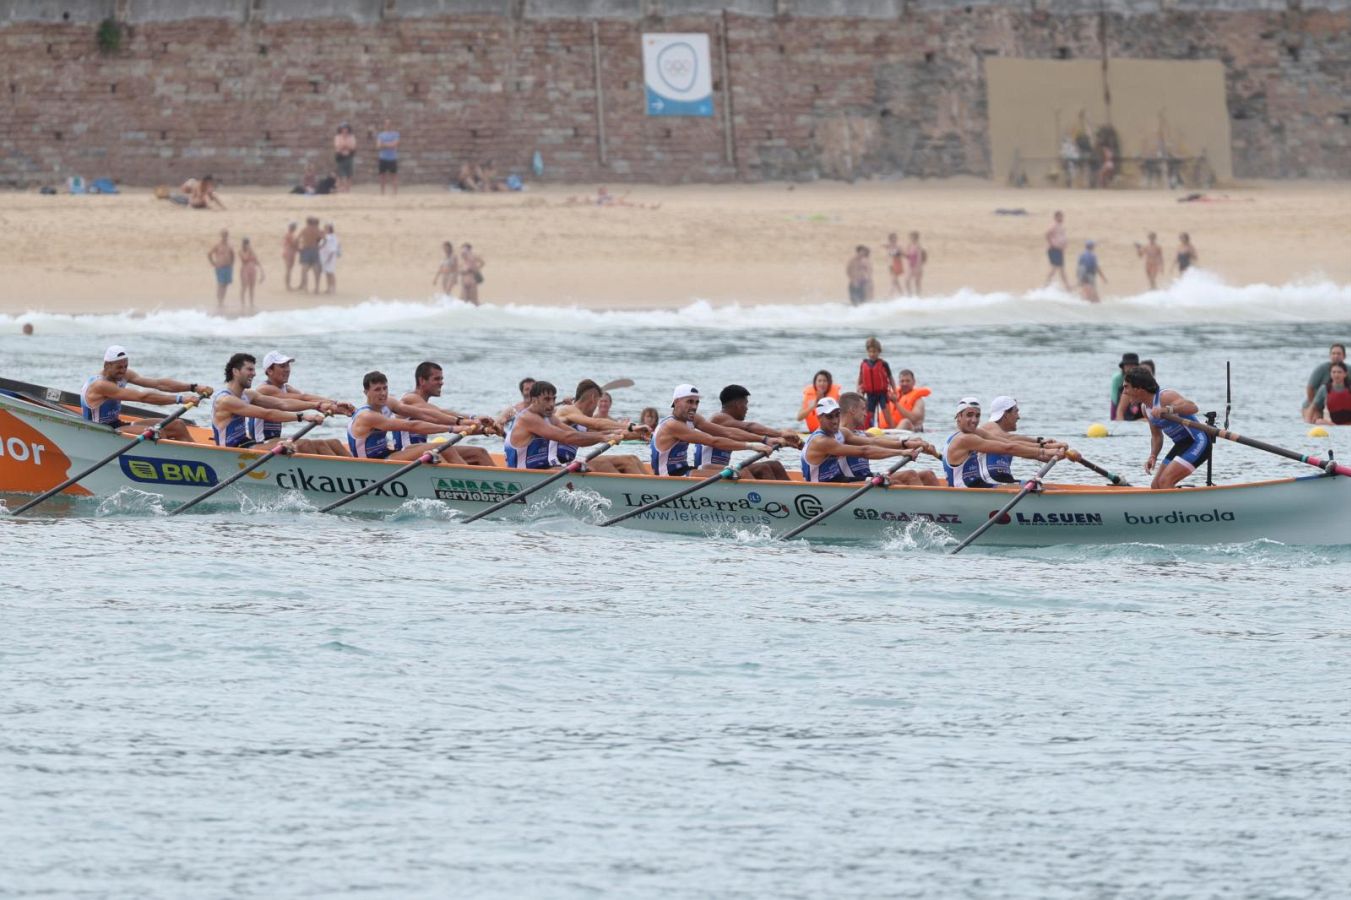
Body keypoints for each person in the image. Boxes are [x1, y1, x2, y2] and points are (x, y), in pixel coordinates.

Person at [210, 353, 342, 453]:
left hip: (246, 444)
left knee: (333, 442)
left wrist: (318, 405)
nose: (254, 374)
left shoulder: (248, 394)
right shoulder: (225, 400)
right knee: (304, 444)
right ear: (235, 371)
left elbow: (281, 404)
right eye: (249, 370)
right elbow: (267, 414)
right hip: (231, 452)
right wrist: (302, 417)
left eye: (254, 370)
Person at [80, 344, 211, 440]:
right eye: (119, 367)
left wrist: (193, 387)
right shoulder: (100, 385)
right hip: (100, 432)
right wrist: (181, 399)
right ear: (107, 365)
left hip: (117, 424)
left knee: (178, 425)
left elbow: (159, 384)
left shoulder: (124, 375)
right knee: (158, 434)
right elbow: (143, 397)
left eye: (125, 366)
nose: (123, 370)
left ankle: (198, 462)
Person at [651, 385, 775, 477]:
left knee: (743, 471)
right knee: (741, 474)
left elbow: (727, 432)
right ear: (676, 402)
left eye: (696, 402)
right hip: (670, 477)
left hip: (684, 469)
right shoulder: (672, 425)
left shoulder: (693, 419)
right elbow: (713, 441)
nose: (694, 407)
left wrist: (764, 439)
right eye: (689, 402)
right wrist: (752, 446)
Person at [1118, 366, 1209, 489]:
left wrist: (1167, 409)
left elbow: (1193, 407)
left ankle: (1178, 507)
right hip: (1181, 445)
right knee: (1156, 486)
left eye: (1126, 387)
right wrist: (1153, 456)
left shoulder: (1164, 396)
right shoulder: (1145, 408)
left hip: (1198, 441)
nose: (1124, 392)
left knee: (1165, 481)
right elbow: (1156, 436)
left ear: (1138, 388)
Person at [943, 397, 1065, 488]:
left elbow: (1006, 441)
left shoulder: (975, 433)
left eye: (977, 415)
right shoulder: (964, 439)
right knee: (1041, 488)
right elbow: (1008, 448)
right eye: (969, 415)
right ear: (958, 416)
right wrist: (1043, 451)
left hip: (978, 486)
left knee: (1042, 487)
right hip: (968, 491)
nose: (974, 420)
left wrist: (1044, 449)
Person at [248, 351, 352, 455]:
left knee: (334, 443)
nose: (287, 369)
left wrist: (343, 408)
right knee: (305, 444)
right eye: (282, 366)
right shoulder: (264, 389)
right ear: (269, 371)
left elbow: (310, 400)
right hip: (261, 442)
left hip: (275, 440)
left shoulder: (286, 388)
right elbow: (304, 398)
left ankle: (353, 469)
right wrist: (320, 405)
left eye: (288, 365)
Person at [348, 371, 467, 461]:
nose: (383, 393)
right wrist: (451, 429)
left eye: (385, 388)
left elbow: (421, 413)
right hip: (371, 464)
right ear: (366, 392)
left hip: (387, 455)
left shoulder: (389, 403)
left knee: (436, 447)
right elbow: (412, 425)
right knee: (442, 446)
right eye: (377, 390)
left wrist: (461, 421)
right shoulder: (367, 416)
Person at [396, 361, 497, 466]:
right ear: (422, 380)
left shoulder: (425, 404)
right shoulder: (410, 399)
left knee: (479, 453)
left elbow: (445, 417)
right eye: (436, 379)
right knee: (443, 447)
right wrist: (473, 419)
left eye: (441, 379)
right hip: (406, 452)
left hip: (422, 450)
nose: (441, 382)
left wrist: (484, 430)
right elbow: (439, 415)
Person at [505, 380, 623, 470]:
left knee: (583, 469)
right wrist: (604, 437)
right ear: (534, 400)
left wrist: (608, 434)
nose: (551, 404)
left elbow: (575, 435)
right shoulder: (529, 418)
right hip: (523, 473)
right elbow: (565, 437)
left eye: (553, 399)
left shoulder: (549, 417)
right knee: (582, 471)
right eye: (547, 399)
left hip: (541, 470)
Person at [801, 397, 923, 484]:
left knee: (893, 481)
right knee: (891, 482)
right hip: (822, 488)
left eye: (837, 415)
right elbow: (864, 451)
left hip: (839, 480)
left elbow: (871, 441)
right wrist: (901, 452)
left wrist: (904, 443)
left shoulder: (841, 432)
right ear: (819, 418)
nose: (835, 420)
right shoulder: (821, 441)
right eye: (829, 416)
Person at [696, 384, 800, 480]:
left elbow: (749, 434)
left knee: (775, 465)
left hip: (720, 469)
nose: (747, 409)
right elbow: (749, 427)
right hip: (706, 470)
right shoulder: (718, 418)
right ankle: (771, 498)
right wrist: (780, 434)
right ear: (738, 404)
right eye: (746, 404)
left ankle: (791, 496)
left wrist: (785, 442)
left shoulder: (730, 424)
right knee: (763, 468)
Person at [836, 393, 940, 485]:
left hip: (866, 477)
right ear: (852, 410)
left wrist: (913, 441)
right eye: (863, 409)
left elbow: (885, 440)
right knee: (910, 475)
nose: (865, 414)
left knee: (928, 475)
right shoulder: (839, 434)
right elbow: (869, 449)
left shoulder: (861, 434)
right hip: (850, 482)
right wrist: (903, 450)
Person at [553, 379, 650, 474]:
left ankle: (648, 487)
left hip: (566, 463)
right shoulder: (567, 409)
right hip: (555, 465)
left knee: (631, 460)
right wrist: (631, 426)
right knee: (604, 463)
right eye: (598, 402)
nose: (596, 408)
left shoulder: (581, 421)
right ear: (593, 398)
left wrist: (642, 435)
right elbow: (597, 423)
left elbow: (615, 432)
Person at [978, 396, 1069, 484]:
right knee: (1036, 486)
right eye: (1016, 412)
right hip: (985, 482)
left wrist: (1064, 454)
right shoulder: (988, 427)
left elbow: (1043, 457)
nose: (1018, 417)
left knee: (1039, 486)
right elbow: (1009, 440)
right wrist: (1044, 444)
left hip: (1000, 481)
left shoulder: (1007, 441)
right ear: (1006, 414)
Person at [857, 337, 896, 428]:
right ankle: (869, 431)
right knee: (869, 416)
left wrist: (894, 391)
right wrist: (858, 389)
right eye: (870, 352)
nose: (872, 354)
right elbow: (860, 378)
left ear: (879, 352)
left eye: (874, 352)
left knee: (887, 415)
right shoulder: (863, 364)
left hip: (882, 394)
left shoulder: (883, 364)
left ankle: (892, 428)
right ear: (867, 352)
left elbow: (890, 378)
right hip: (870, 394)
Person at [1304, 344, 1348, 422]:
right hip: (1315, 403)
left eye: (1338, 353)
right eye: (1333, 353)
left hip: (1339, 408)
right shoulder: (1321, 369)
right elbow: (1310, 388)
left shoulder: (1349, 370)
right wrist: (1316, 409)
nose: (1336, 356)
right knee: (1316, 420)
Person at [1312, 361, 1351, 426]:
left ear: (1345, 374)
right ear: (1330, 374)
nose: (1336, 375)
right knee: (1318, 421)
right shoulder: (1324, 388)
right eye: (1334, 372)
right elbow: (1313, 408)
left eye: (1339, 372)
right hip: (1332, 424)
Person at [1110, 352, 1142, 421]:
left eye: (1132, 365)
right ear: (1123, 367)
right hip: (1119, 400)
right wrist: (1114, 418)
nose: (1130, 368)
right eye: (1127, 365)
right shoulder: (1117, 378)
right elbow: (1114, 398)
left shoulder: (1141, 378)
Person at [207, 229, 235, 307]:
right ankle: (219, 302)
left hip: (228, 267)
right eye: (223, 235)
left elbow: (233, 255)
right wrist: (213, 263)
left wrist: (232, 265)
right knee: (220, 284)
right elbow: (209, 254)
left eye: (226, 235)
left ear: (227, 236)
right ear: (221, 236)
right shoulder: (217, 245)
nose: (224, 237)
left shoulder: (230, 246)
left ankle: (222, 301)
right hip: (220, 267)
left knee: (225, 284)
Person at [1044, 210, 1070, 290]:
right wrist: (1052, 244)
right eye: (1060, 216)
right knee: (1055, 267)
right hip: (1054, 249)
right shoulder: (1054, 226)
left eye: (1062, 216)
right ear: (1056, 217)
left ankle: (1067, 287)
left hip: (1059, 250)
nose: (1061, 218)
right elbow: (1047, 234)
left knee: (1061, 269)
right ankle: (1046, 285)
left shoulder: (1061, 226)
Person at [297, 217, 323, 294]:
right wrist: (321, 246)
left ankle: (306, 288)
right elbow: (324, 239)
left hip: (306, 249)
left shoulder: (304, 230)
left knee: (304, 270)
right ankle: (317, 288)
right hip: (315, 249)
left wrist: (298, 248)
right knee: (316, 270)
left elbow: (297, 239)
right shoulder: (317, 230)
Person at [375, 118, 399, 195]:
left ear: (391, 125)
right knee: (382, 176)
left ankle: (395, 193)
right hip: (383, 158)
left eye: (389, 124)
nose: (388, 125)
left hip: (392, 158)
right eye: (386, 124)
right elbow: (378, 146)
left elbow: (395, 145)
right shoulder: (380, 135)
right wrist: (389, 144)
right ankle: (382, 193)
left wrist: (384, 144)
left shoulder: (396, 134)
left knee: (394, 176)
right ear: (384, 125)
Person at [238, 237, 263, 311]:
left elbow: (256, 260)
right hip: (245, 269)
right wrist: (249, 251)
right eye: (245, 243)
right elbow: (245, 258)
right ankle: (243, 303)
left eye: (247, 243)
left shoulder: (252, 251)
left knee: (252, 287)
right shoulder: (241, 251)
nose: (246, 245)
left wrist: (262, 270)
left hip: (253, 270)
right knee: (244, 286)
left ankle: (251, 303)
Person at [334, 123, 356, 193]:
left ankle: (347, 189)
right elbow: (337, 147)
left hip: (349, 157)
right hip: (340, 157)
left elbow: (353, 147)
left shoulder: (352, 137)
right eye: (343, 128)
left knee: (349, 174)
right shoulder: (337, 137)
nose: (344, 130)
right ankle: (341, 189)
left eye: (346, 128)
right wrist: (346, 146)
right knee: (341, 174)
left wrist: (344, 146)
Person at [318, 223, 340, 294]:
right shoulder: (326, 237)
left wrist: (329, 258)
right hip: (324, 257)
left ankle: (333, 288)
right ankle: (328, 288)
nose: (324, 230)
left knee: (331, 273)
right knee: (327, 273)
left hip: (330, 257)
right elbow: (321, 246)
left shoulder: (332, 237)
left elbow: (333, 249)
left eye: (326, 228)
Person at [904, 231, 926, 296]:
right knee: (907, 281)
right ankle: (909, 295)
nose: (911, 239)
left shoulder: (918, 246)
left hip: (917, 266)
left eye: (912, 237)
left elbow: (919, 257)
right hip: (911, 266)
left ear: (916, 238)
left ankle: (918, 296)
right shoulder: (909, 245)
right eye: (910, 237)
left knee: (917, 282)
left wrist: (918, 267)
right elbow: (907, 256)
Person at [883, 232, 904, 297]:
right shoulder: (889, 246)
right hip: (890, 264)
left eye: (895, 238)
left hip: (896, 263)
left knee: (894, 280)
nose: (894, 239)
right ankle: (902, 294)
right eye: (893, 238)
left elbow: (901, 254)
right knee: (895, 280)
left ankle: (890, 294)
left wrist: (896, 252)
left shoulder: (898, 246)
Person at [282, 222, 299, 291]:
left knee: (289, 269)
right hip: (289, 253)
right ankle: (288, 286)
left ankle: (288, 285)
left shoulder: (289, 234)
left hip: (289, 252)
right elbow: (293, 244)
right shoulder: (290, 235)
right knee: (288, 270)